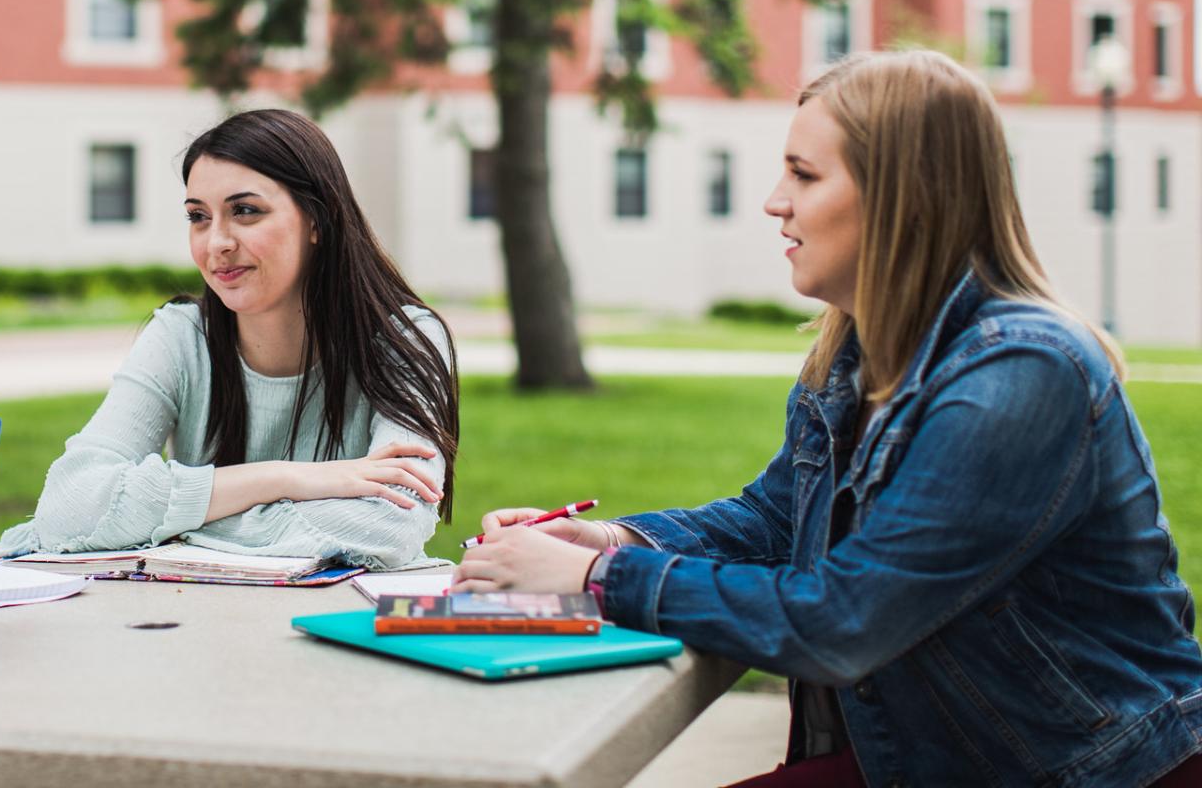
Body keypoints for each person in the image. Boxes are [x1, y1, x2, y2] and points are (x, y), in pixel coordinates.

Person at [456, 50, 1202, 787]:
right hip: (940, 757)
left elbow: (842, 622)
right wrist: (612, 536)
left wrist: (596, 576)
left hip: (1082, 770)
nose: (773, 201)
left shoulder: (1022, 375)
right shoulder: (856, 350)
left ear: (904, 199)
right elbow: (774, 522)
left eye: (804, 175)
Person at [0, 108, 459, 569]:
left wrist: (164, 524)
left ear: (317, 220)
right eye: (198, 216)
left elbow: (391, 525)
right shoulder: (181, 335)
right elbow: (70, 506)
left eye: (245, 211)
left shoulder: (406, 340)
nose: (216, 243)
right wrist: (289, 478)